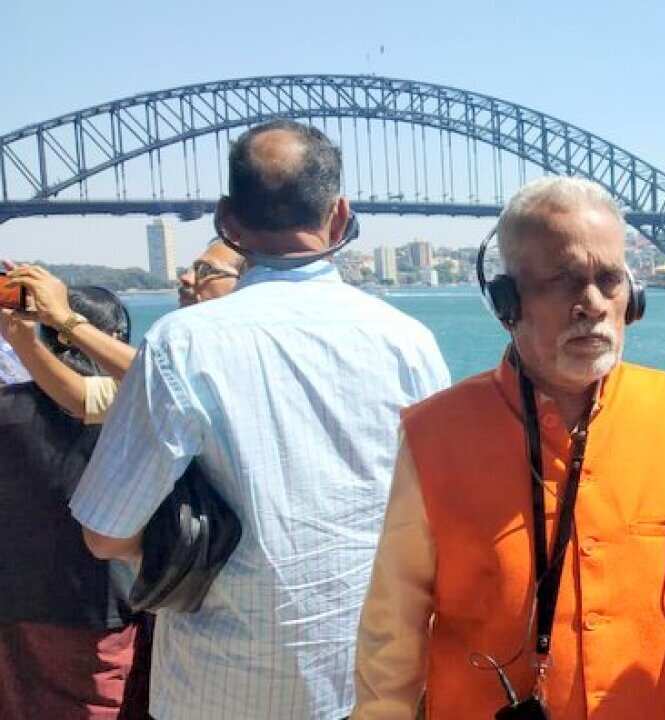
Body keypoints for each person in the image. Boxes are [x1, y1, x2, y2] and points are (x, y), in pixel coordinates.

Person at [69, 119, 451, 720]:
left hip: (220, 689)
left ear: (227, 221)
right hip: (372, 685)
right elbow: (443, 518)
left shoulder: (181, 345)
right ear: (340, 214)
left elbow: (106, 532)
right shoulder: (410, 343)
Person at [352, 176, 665, 719]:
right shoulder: (435, 435)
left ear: (632, 298)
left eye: (609, 279)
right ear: (507, 302)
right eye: (562, 281)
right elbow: (390, 640)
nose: (591, 303)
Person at [0, 288, 140, 719]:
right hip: (103, 607)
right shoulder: (134, 410)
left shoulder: (8, 407)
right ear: (113, 337)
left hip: (15, 605)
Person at [2, 239, 243, 423]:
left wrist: (63, 318)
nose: (186, 277)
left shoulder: (242, 355)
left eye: (205, 270)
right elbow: (83, 398)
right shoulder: (186, 359)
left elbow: (159, 373)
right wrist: (20, 336)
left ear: (249, 282)